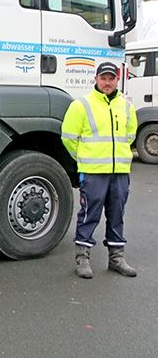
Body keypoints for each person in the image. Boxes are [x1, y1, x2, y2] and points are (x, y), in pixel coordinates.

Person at [61, 61, 137, 279]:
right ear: (96, 79)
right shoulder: (81, 105)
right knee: (89, 214)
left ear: (117, 79)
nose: (107, 82)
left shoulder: (126, 106)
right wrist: (84, 159)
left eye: (111, 78)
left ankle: (117, 258)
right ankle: (82, 258)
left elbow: (130, 135)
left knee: (117, 214)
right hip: (93, 171)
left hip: (120, 171)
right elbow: (68, 138)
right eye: (103, 78)